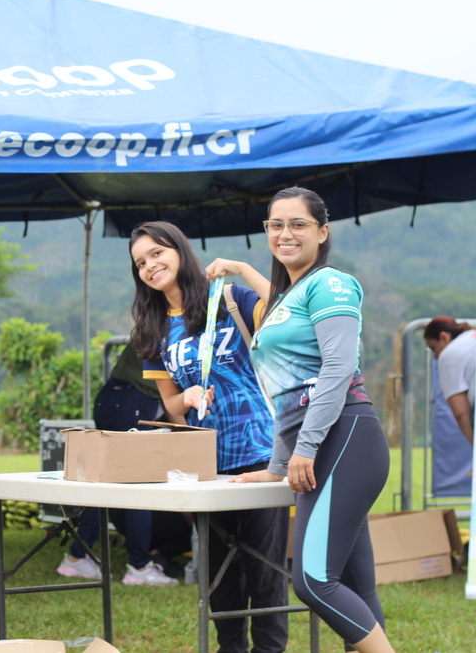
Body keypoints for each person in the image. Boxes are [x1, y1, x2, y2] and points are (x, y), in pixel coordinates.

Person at [228, 186, 395, 653]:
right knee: (352, 583)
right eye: (276, 224)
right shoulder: (287, 297)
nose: (285, 233)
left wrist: (305, 449)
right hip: (320, 446)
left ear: (322, 232)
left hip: (344, 439)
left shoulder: (330, 283)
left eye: (298, 224)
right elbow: (287, 395)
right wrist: (278, 465)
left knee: (312, 581)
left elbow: (337, 369)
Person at [131, 220, 288, 653]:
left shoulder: (231, 298)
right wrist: (190, 395)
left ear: (179, 250)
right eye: (141, 262)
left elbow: (284, 311)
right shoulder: (152, 327)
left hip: (259, 453)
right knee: (219, 568)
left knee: (265, 567)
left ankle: (271, 649)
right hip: (206, 463)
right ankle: (230, 647)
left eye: (157, 253)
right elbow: (170, 406)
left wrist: (240, 267)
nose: (150, 266)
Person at [57, 343, 190, 586]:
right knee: (139, 484)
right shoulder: (176, 325)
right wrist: (191, 434)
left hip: (111, 397)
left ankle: (77, 558)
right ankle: (139, 566)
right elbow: (171, 397)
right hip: (135, 401)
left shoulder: (155, 317)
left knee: (105, 481)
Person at [423, 316, 476, 445]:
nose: (435, 356)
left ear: (444, 337)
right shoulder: (472, 337)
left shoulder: (449, 354)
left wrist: (474, 447)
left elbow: (461, 414)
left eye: (433, 348)